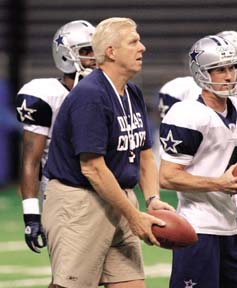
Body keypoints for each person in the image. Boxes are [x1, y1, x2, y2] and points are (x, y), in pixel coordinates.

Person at [42, 17, 174, 288]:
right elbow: (92, 168)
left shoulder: (132, 92)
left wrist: (151, 199)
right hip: (81, 202)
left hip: (120, 199)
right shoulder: (89, 95)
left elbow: (145, 153)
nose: (143, 48)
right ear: (111, 52)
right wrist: (133, 215)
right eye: (134, 41)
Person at [158, 30, 237, 285]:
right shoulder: (186, 113)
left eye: (232, 68)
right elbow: (168, 177)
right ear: (202, 73)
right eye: (219, 69)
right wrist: (218, 184)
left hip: (232, 224)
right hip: (198, 227)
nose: (229, 75)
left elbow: (231, 168)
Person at [16, 20, 96, 254]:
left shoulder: (110, 91)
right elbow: (30, 159)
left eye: (96, 50)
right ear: (65, 55)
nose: (94, 57)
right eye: (86, 51)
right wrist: (31, 215)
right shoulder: (44, 94)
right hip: (63, 194)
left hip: (106, 191)